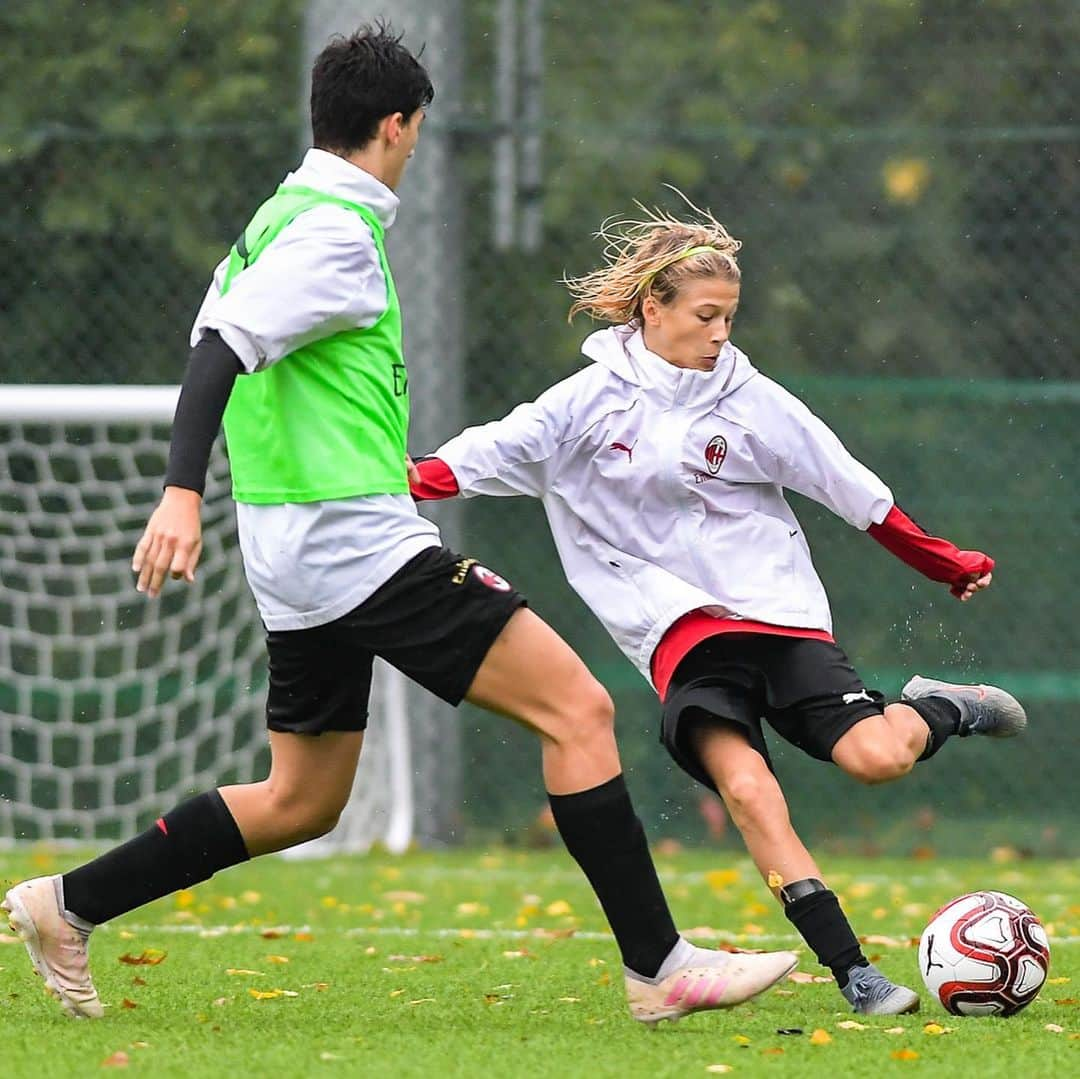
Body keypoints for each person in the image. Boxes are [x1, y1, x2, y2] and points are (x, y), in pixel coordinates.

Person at [1, 28, 796, 1027]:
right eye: (417, 130)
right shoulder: (332, 231)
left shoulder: (280, 214)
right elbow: (219, 356)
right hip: (352, 542)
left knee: (304, 800)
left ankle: (66, 904)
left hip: (294, 547)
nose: (417, 147)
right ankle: (659, 964)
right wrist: (178, 491)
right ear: (396, 124)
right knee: (580, 710)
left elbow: (211, 333)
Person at [407, 196, 1027, 1016]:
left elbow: (848, 486)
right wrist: (405, 479)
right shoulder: (588, 402)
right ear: (651, 308)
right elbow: (493, 447)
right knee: (748, 790)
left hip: (780, 616)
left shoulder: (751, 399)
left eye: (730, 316)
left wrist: (944, 561)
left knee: (876, 759)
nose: (720, 333)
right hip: (682, 639)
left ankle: (937, 708)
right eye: (705, 315)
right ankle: (853, 972)